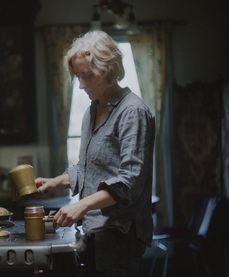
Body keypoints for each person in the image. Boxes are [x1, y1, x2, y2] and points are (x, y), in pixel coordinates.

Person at [35, 30, 155, 277]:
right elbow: (87, 168)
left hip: (121, 233)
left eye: (87, 76)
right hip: (95, 230)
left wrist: (81, 205)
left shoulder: (132, 111)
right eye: (78, 76)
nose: (80, 85)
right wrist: (55, 182)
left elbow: (129, 183)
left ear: (109, 69)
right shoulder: (92, 111)